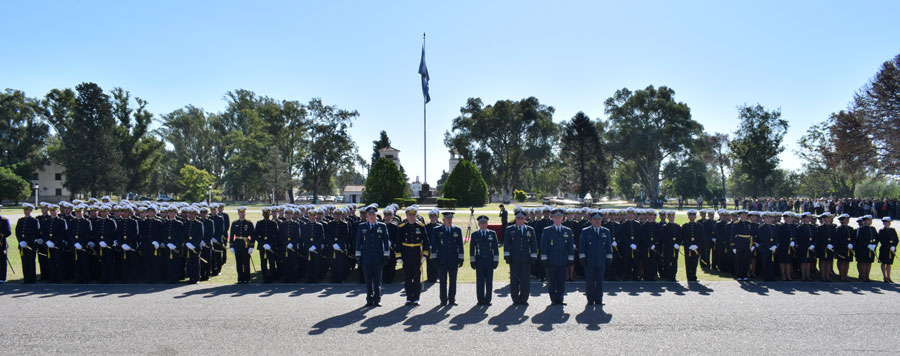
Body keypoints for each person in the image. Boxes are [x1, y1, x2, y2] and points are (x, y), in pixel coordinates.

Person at [355, 206, 390, 307]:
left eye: (373, 214)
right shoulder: (362, 226)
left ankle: (377, 299)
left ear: (376, 215)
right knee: (368, 280)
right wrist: (358, 256)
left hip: (378, 257)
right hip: (366, 257)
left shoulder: (382, 226)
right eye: (369, 214)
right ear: (366, 215)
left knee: (377, 280)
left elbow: (386, 242)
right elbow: (358, 242)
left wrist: (386, 255)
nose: (371, 216)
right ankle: (369, 300)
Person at [396, 206, 430, 306]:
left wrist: (424, 255)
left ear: (416, 215)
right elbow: (398, 243)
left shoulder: (420, 226)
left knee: (416, 278)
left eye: (413, 215)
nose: (411, 217)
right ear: (406, 215)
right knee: (407, 278)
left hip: (416, 255)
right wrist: (398, 257)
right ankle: (408, 298)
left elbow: (426, 242)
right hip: (406, 255)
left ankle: (416, 298)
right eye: (409, 215)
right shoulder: (402, 227)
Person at [541, 208, 574, 306]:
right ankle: (553, 300)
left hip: (563, 261)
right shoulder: (547, 230)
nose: (558, 219)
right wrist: (544, 258)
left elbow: (570, 246)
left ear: (562, 218)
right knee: (552, 281)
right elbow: (543, 246)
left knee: (561, 281)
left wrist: (570, 258)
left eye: (559, 217)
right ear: (552, 219)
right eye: (556, 217)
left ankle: (560, 299)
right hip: (551, 261)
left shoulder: (567, 231)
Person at [504, 208, 537, 306]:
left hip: (526, 260)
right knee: (514, 280)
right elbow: (506, 243)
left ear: (524, 219)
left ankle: (524, 299)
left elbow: (533, 244)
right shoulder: (510, 229)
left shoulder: (530, 230)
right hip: (514, 259)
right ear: (515, 219)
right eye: (518, 218)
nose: (520, 220)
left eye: (522, 218)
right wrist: (507, 256)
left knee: (525, 281)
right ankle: (515, 299)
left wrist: (533, 256)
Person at [431, 211, 464, 306]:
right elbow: (434, 245)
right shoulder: (437, 230)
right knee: (442, 281)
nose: (449, 220)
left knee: (453, 280)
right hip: (442, 260)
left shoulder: (457, 230)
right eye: (447, 219)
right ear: (443, 220)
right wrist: (434, 258)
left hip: (453, 260)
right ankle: (443, 300)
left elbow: (460, 245)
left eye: (450, 218)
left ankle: (452, 299)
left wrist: (461, 258)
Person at [580, 210, 612, 306]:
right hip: (589, 261)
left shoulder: (606, 231)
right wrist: (582, 257)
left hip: (601, 261)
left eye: (599, 219)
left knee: (599, 281)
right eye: (595, 219)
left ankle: (598, 299)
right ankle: (590, 300)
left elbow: (608, 246)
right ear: (591, 221)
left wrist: (609, 258)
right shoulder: (585, 231)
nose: (597, 221)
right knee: (590, 281)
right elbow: (582, 246)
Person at [470, 215, 499, 306]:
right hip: (479, 262)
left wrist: (495, 261)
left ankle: (488, 300)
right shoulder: (475, 235)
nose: (483, 225)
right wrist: (472, 261)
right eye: (481, 223)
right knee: (480, 282)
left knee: (489, 282)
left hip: (489, 262)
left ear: (487, 224)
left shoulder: (492, 233)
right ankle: (480, 300)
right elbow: (472, 249)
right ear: (478, 224)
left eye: (485, 223)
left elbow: (496, 249)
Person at [16, 203, 41, 284]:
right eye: (25, 209)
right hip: (22, 245)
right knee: (24, 262)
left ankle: (32, 278)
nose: (25, 211)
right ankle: (26, 278)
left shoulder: (34, 221)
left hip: (30, 245)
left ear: (31, 210)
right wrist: (20, 241)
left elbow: (35, 233)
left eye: (27, 209)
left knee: (30, 261)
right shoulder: (21, 220)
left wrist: (27, 242)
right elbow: (18, 232)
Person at [229, 207, 255, 284]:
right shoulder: (235, 223)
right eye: (240, 212)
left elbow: (253, 236)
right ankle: (240, 278)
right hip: (237, 244)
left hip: (246, 244)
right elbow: (231, 235)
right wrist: (231, 246)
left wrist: (251, 246)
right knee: (239, 262)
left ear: (245, 213)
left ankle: (247, 278)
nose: (242, 214)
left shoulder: (249, 223)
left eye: (243, 212)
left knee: (246, 262)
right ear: (238, 213)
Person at [680, 210, 705, 282]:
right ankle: (689, 277)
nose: (692, 216)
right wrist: (689, 245)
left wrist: (697, 245)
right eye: (690, 215)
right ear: (688, 216)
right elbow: (683, 237)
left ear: (695, 216)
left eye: (693, 215)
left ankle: (694, 276)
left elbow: (701, 237)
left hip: (696, 248)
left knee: (695, 262)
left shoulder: (699, 226)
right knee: (688, 262)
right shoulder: (685, 226)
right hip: (688, 247)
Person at [855, 215, 877, 282]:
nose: (870, 221)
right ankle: (863, 276)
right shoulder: (861, 229)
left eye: (871, 220)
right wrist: (867, 245)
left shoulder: (873, 229)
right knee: (863, 262)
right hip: (863, 248)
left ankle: (867, 276)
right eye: (868, 220)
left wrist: (875, 245)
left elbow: (877, 237)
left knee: (869, 262)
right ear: (864, 221)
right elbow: (860, 239)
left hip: (871, 248)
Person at [834, 214, 854, 282]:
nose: (847, 220)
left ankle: (845, 275)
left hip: (849, 248)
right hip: (842, 248)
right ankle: (841, 275)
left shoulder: (850, 228)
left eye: (848, 219)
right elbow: (839, 239)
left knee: (847, 262)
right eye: (845, 219)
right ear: (841, 221)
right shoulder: (839, 229)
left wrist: (851, 243)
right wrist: (846, 244)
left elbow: (853, 238)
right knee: (841, 262)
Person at [878, 217, 897, 283]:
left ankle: (889, 277)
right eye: (887, 222)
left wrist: (894, 246)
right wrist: (889, 246)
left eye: (889, 222)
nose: (888, 223)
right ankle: (885, 277)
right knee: (883, 263)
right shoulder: (882, 230)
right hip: (884, 249)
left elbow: (896, 239)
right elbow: (882, 240)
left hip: (891, 249)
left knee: (889, 263)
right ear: (884, 222)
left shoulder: (892, 230)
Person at [0, 205, 11, 284]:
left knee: (2, 261)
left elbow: (8, 232)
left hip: (1, 243)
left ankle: (2, 278)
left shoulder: (4, 220)